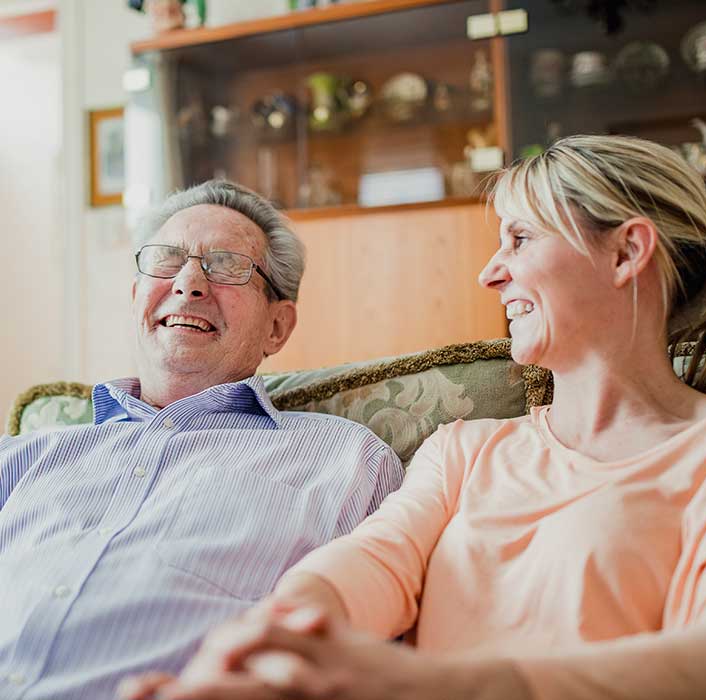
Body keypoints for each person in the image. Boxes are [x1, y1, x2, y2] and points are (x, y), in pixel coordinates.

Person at [122, 135, 706, 700]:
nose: (489, 273)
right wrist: (271, 650)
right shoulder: (466, 449)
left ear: (626, 252)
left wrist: (426, 684)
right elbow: (367, 566)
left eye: (520, 238)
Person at [0, 180, 404, 700]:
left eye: (228, 264)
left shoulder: (346, 461)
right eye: (167, 260)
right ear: (135, 299)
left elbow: (366, 659)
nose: (188, 283)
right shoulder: (24, 456)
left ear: (277, 327)